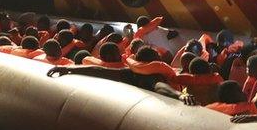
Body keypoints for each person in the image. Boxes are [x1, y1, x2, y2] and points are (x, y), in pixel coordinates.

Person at [47, 50, 197, 105]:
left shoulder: (128, 72)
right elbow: (160, 86)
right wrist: (181, 95)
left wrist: (69, 69)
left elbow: (99, 70)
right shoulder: (154, 74)